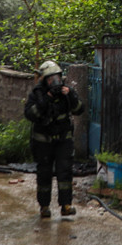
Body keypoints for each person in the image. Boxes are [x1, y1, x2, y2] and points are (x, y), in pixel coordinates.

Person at [24, 60, 84, 218]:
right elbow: (30, 114)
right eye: (51, 79)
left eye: (57, 77)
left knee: (65, 172)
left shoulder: (66, 93)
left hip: (63, 141)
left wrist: (70, 95)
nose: (54, 81)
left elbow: (79, 109)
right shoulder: (37, 94)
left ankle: (66, 205)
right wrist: (47, 99)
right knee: (44, 174)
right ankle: (44, 207)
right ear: (44, 80)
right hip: (43, 142)